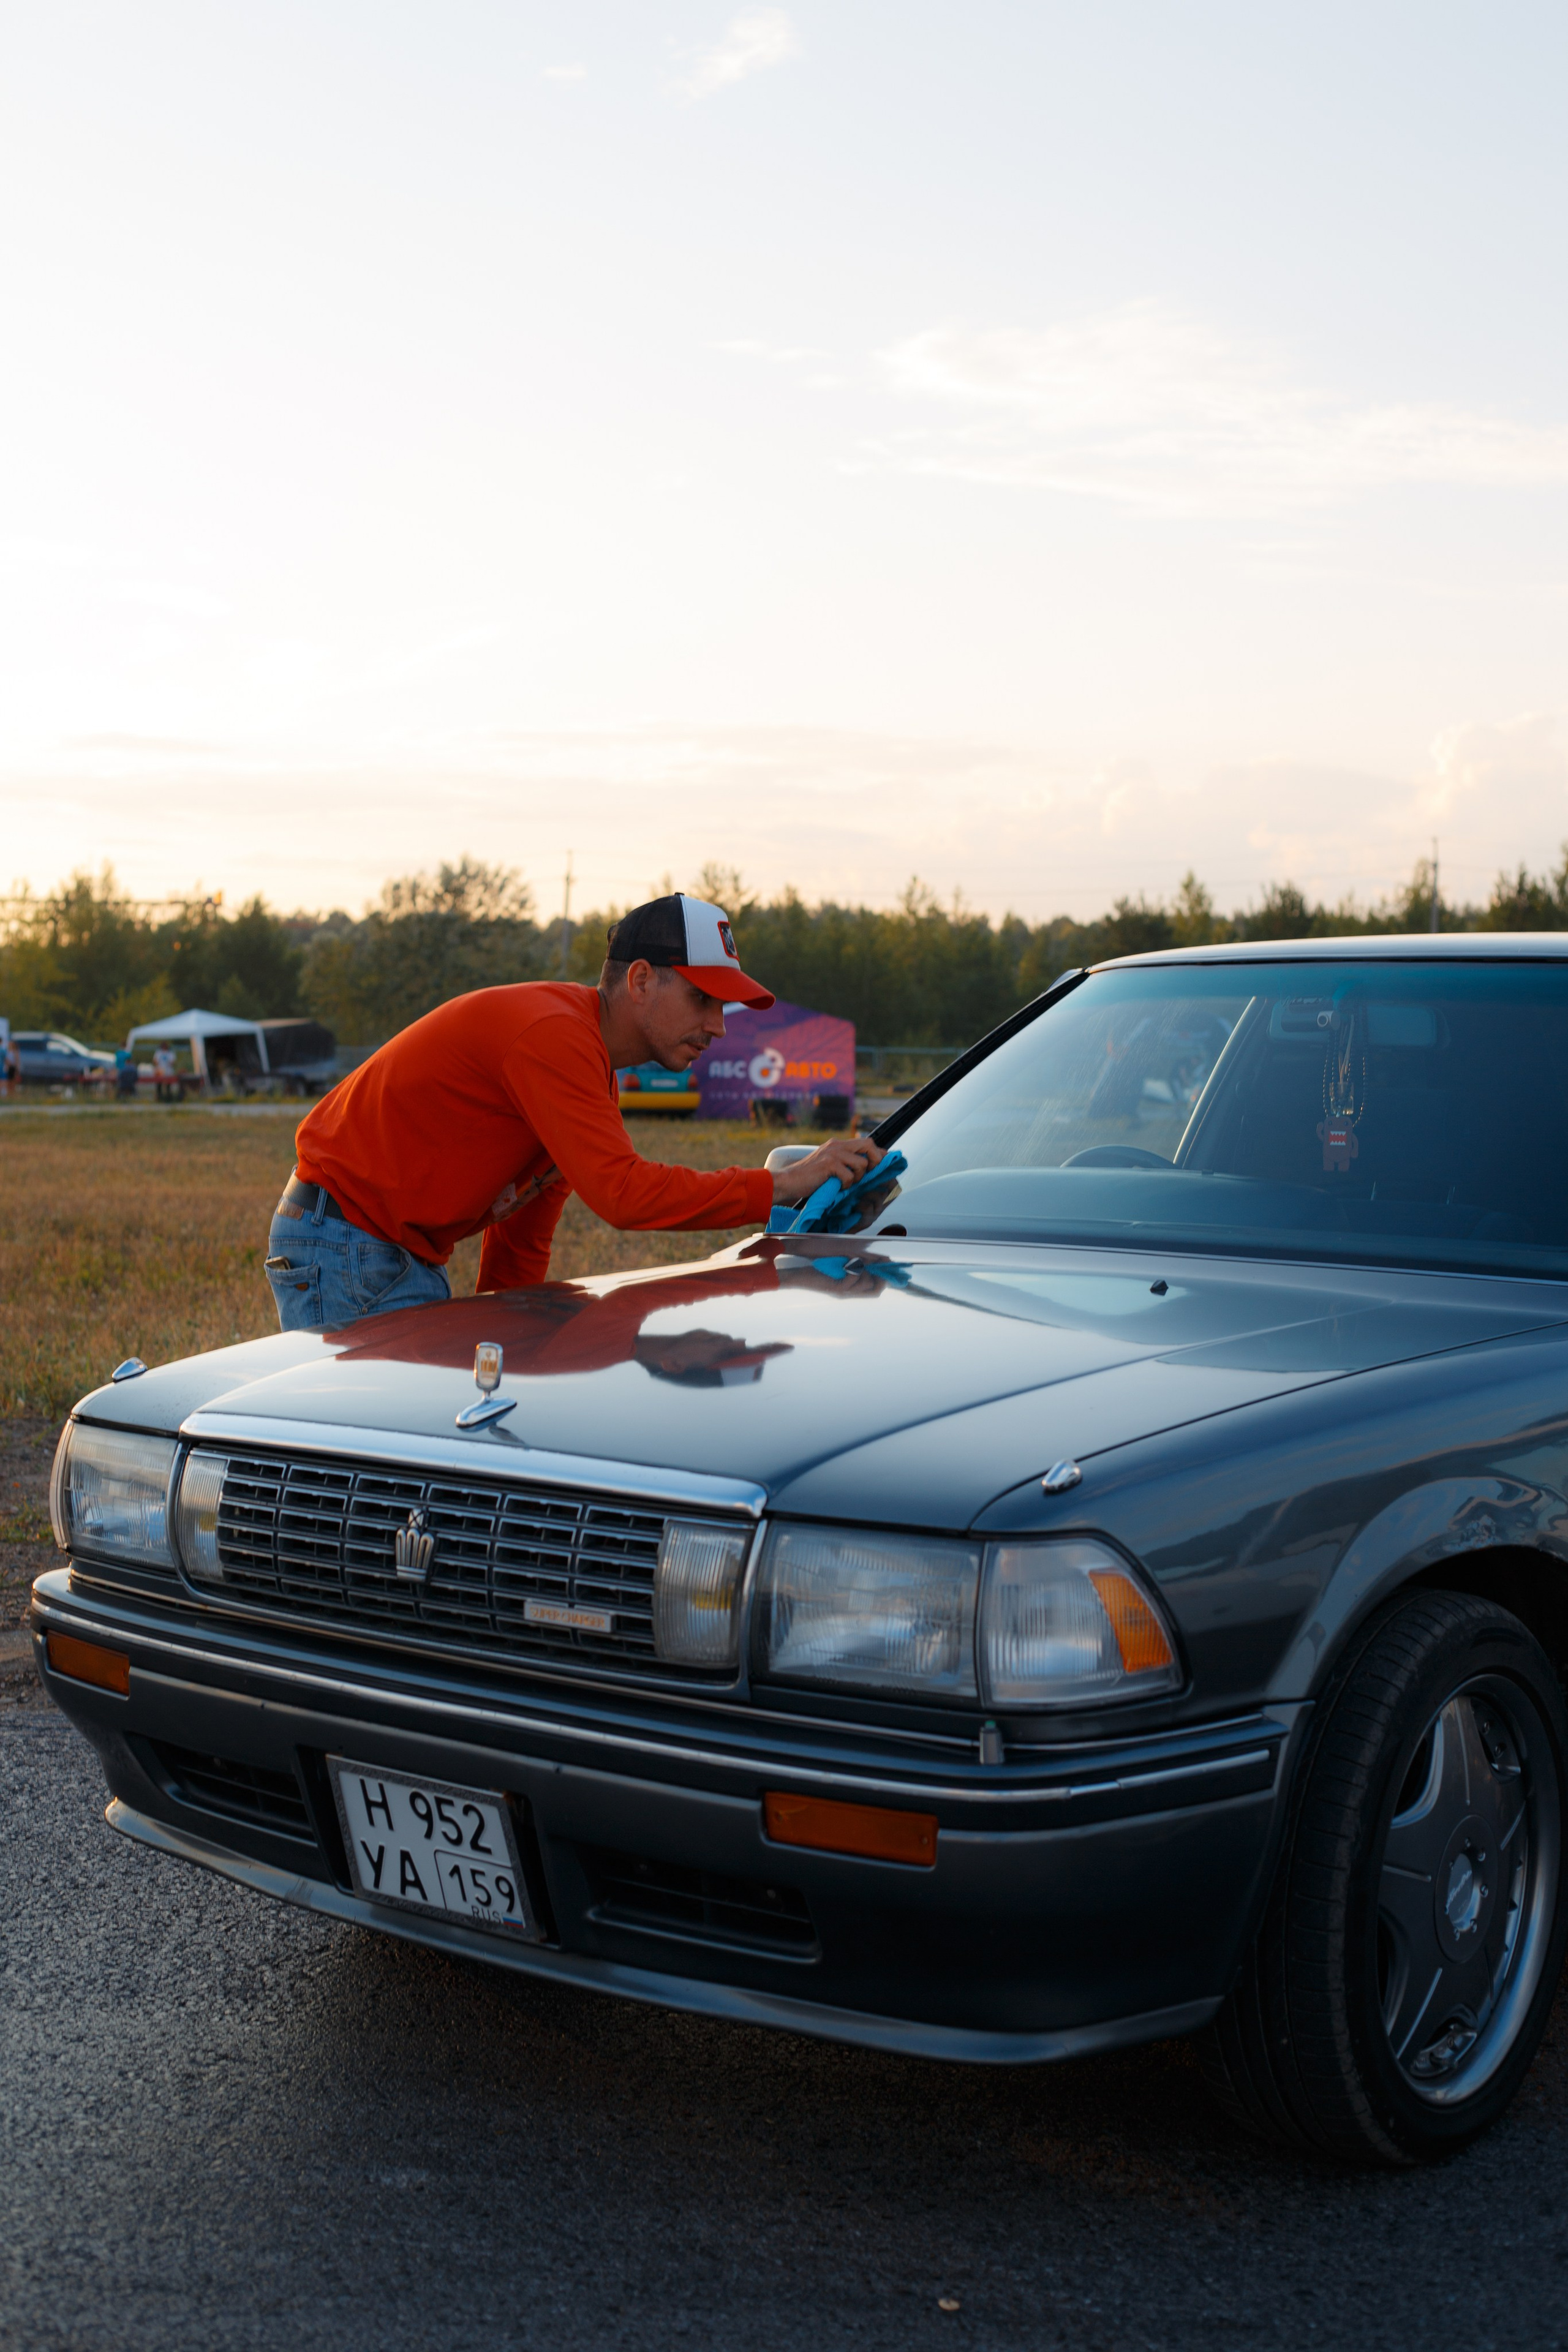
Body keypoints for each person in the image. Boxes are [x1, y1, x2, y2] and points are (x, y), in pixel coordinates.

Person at [266, 891, 885, 1329]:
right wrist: (778, 1186)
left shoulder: (589, 1070)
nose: (718, 1027)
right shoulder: (553, 1036)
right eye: (703, 999)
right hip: (346, 1245)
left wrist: (509, 1339)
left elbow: (519, 1245)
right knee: (385, 1467)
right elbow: (624, 1196)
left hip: (379, 1249)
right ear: (641, 980)